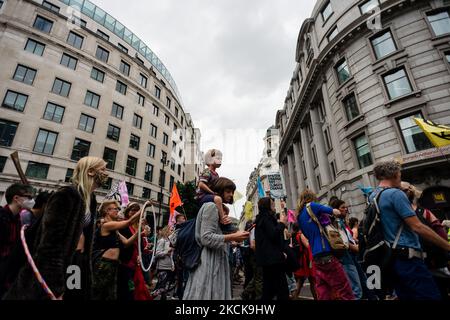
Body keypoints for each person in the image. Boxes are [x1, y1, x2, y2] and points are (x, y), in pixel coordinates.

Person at [4, 156, 108, 300]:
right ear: (90, 171)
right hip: (57, 267)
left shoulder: (91, 199)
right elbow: (50, 244)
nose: (106, 173)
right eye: (103, 169)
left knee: (74, 294)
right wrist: (56, 286)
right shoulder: (66, 195)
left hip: (75, 264)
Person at [369, 161, 450, 300]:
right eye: (400, 174)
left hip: (391, 259)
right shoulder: (395, 194)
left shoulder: (373, 196)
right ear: (394, 174)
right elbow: (417, 226)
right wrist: (447, 246)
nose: (400, 178)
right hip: (409, 258)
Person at [183, 177, 249, 300]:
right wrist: (233, 236)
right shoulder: (211, 207)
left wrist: (236, 235)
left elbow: (217, 234)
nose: (231, 195)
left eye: (232, 192)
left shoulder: (218, 208)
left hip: (215, 260)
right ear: (220, 190)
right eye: (228, 191)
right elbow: (206, 238)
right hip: (208, 262)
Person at [297, 189, 354, 300]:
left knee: (324, 292)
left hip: (316, 257)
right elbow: (334, 211)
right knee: (344, 289)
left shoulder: (299, 216)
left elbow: (307, 236)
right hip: (326, 252)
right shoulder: (312, 206)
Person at [400, 181, 450, 299]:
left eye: (405, 190)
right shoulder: (399, 214)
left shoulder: (424, 212)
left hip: (435, 261)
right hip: (414, 264)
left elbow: (440, 232)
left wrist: (446, 252)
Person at [92, 200, 142, 300]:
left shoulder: (114, 229)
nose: (117, 211)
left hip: (113, 265)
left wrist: (138, 233)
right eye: (115, 209)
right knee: (99, 293)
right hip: (103, 264)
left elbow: (127, 243)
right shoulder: (106, 225)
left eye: (117, 209)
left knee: (110, 294)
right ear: (107, 211)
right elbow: (128, 222)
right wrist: (142, 209)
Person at [0, 183, 35, 297]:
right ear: (16, 198)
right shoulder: (2, 218)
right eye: (29, 197)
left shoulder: (19, 220)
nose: (32, 200)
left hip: (8, 275)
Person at [255, 197, 289, 301]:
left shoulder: (261, 218)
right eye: (273, 205)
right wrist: (282, 223)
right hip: (273, 261)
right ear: (267, 206)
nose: (274, 207)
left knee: (269, 290)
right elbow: (273, 235)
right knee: (282, 290)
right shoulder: (266, 219)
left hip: (268, 260)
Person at [330, 199, 363, 299]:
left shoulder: (341, 222)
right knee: (355, 290)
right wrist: (355, 247)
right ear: (336, 210)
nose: (346, 209)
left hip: (350, 257)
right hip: (345, 258)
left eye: (346, 207)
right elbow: (344, 242)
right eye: (343, 208)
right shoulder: (336, 223)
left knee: (359, 285)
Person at [195, 149, 233, 232]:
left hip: (210, 196)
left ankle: (220, 220)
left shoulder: (216, 174)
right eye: (218, 158)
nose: (220, 161)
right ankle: (223, 220)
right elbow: (201, 184)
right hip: (202, 196)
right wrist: (212, 193)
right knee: (218, 199)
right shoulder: (207, 171)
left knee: (226, 209)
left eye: (221, 159)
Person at [291, 223, 317, 300]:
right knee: (310, 281)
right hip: (305, 261)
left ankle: (295, 297)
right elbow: (308, 246)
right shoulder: (301, 235)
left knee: (301, 281)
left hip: (300, 260)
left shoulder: (293, 235)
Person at [152, 226, 175, 300]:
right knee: (161, 287)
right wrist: (166, 252)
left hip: (168, 267)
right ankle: (149, 296)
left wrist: (172, 265)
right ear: (167, 231)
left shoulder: (169, 241)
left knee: (164, 287)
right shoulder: (162, 240)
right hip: (162, 267)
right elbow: (157, 253)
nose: (172, 231)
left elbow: (170, 256)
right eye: (171, 230)